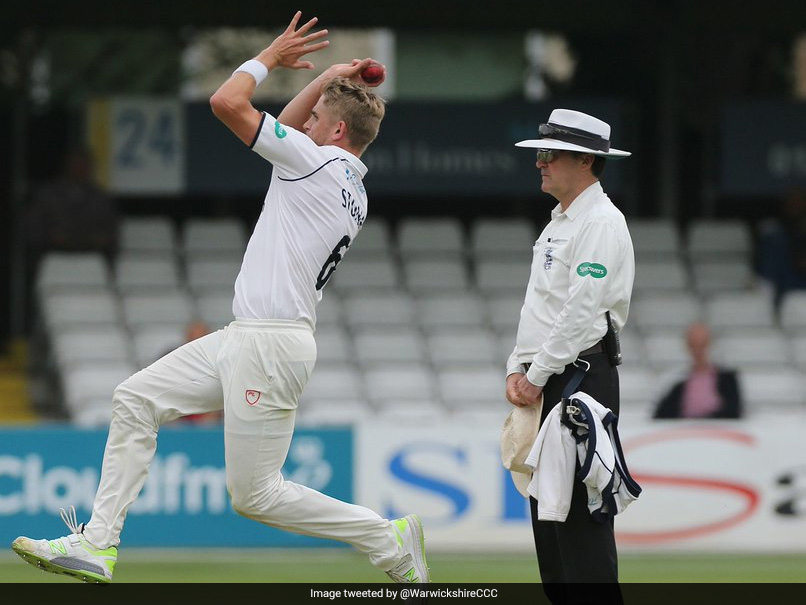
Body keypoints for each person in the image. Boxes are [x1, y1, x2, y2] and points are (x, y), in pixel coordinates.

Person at [11, 12, 429, 585]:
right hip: (247, 335)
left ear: (335, 134)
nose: (303, 125)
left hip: (270, 344)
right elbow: (285, 122)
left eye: (317, 121)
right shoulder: (339, 174)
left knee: (254, 496)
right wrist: (329, 76)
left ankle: (388, 537)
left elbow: (228, 103)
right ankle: (97, 544)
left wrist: (270, 59)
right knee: (134, 400)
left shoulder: (317, 162)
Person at [505, 109, 634, 603]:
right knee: (548, 517)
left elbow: (580, 313)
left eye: (547, 154)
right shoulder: (563, 220)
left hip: (580, 379)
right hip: (554, 378)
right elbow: (540, 307)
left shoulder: (601, 222)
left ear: (584, 161)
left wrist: (534, 375)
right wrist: (518, 368)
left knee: (581, 515)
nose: (538, 163)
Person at [653, 321, 742, 419]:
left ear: (710, 344)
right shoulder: (678, 385)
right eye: (694, 345)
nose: (698, 350)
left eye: (702, 344)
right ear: (687, 347)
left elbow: (734, 412)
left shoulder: (728, 380)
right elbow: (659, 415)